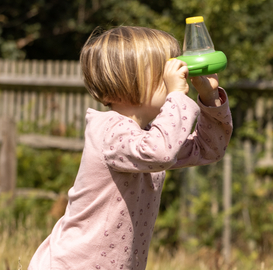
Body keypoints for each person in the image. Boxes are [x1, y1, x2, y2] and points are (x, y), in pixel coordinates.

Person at [28, 26, 232, 270]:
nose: (177, 77)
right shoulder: (109, 131)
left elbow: (209, 148)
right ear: (129, 79)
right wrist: (176, 95)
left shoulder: (149, 135)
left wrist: (210, 98)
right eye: (164, 71)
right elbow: (160, 152)